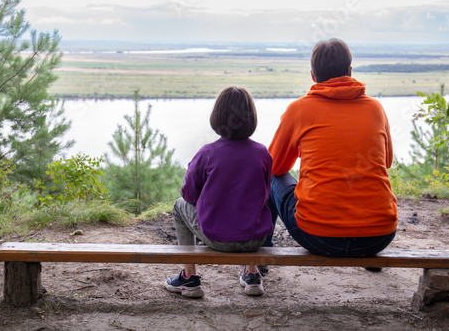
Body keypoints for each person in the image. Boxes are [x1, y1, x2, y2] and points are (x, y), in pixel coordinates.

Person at [265, 39, 398, 264]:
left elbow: (273, 166)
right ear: (350, 72)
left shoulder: (299, 110)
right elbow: (386, 161)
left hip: (318, 236)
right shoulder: (375, 108)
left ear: (313, 76)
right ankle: (370, 261)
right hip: (379, 236)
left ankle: (259, 261)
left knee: (271, 177)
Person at [164, 86, 274, 298]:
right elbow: (265, 194)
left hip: (217, 238)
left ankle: (190, 278)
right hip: (255, 239)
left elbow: (189, 196)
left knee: (179, 206)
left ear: (217, 116)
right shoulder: (262, 153)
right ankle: (252, 274)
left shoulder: (207, 153)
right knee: (257, 207)